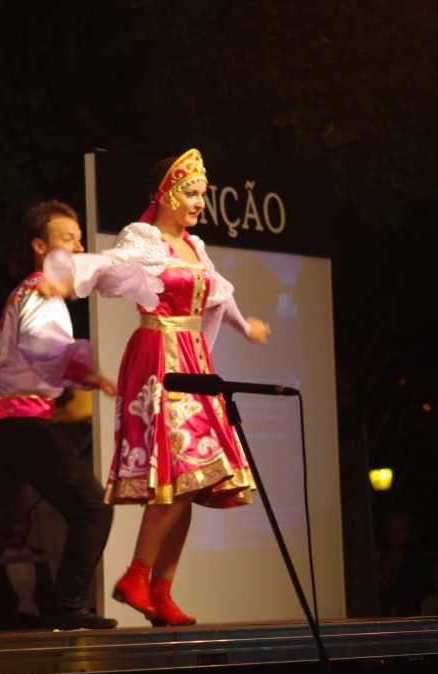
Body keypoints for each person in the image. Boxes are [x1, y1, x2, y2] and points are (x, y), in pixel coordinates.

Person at [52, 150, 270, 626]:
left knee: (192, 479)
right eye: (191, 194)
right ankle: (136, 575)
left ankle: (160, 591)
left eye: (202, 195)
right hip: (159, 354)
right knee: (182, 469)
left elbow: (219, 292)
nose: (199, 204)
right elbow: (112, 264)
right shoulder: (144, 238)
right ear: (165, 195)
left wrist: (244, 328)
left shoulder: (196, 247)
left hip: (194, 359)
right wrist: (70, 271)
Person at [0, 200, 133, 633]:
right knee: (92, 508)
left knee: (0, 520)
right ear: (41, 246)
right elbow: (40, 341)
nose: (77, 247)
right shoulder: (40, 289)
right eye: (66, 239)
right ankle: (68, 606)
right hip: (19, 420)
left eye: (79, 239)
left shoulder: (27, 290)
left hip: (3, 420)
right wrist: (81, 369)